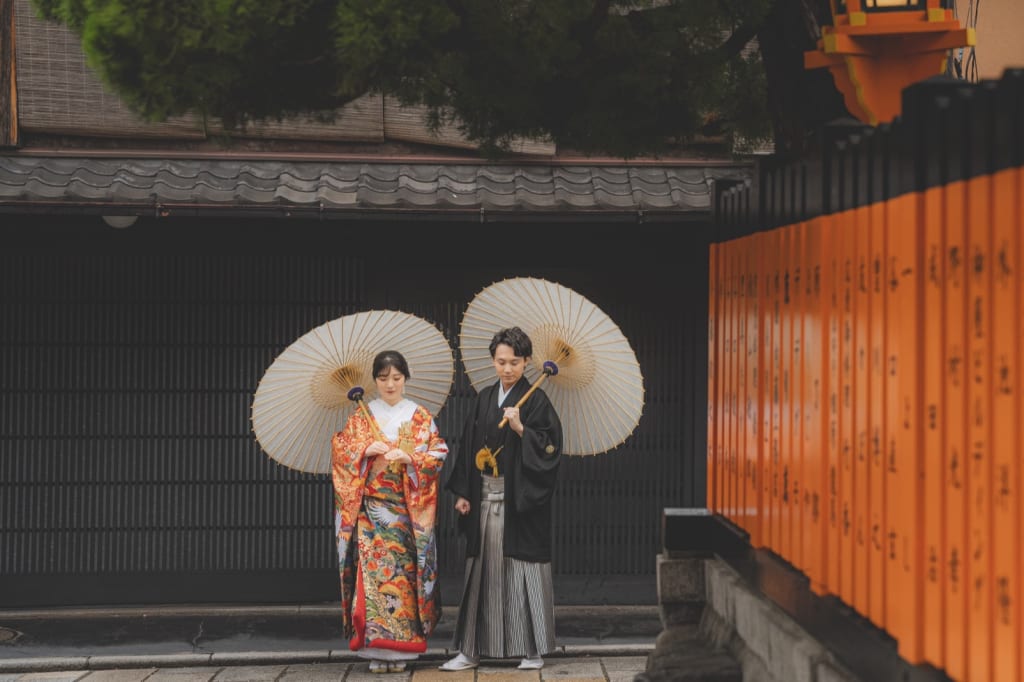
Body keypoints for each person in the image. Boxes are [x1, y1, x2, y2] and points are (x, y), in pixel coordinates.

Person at [441, 326, 563, 672]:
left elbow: (551, 449)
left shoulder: (537, 401)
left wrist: (522, 429)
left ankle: (532, 651)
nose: (507, 369)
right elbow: (467, 446)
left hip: (519, 501)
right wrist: (463, 492)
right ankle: (471, 650)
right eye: (501, 362)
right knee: (481, 573)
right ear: (493, 361)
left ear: (527, 362)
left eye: (515, 362)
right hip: (483, 496)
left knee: (523, 573)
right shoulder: (483, 398)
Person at [331, 350, 447, 674]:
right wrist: (364, 451)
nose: (390, 384)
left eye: (396, 377)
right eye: (383, 378)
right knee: (372, 579)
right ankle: (375, 650)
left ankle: (403, 651)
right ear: (375, 381)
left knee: (405, 577)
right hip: (370, 512)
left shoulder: (419, 416)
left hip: (406, 510)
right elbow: (341, 450)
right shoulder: (362, 415)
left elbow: (438, 451)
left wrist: (411, 460)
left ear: (405, 378)